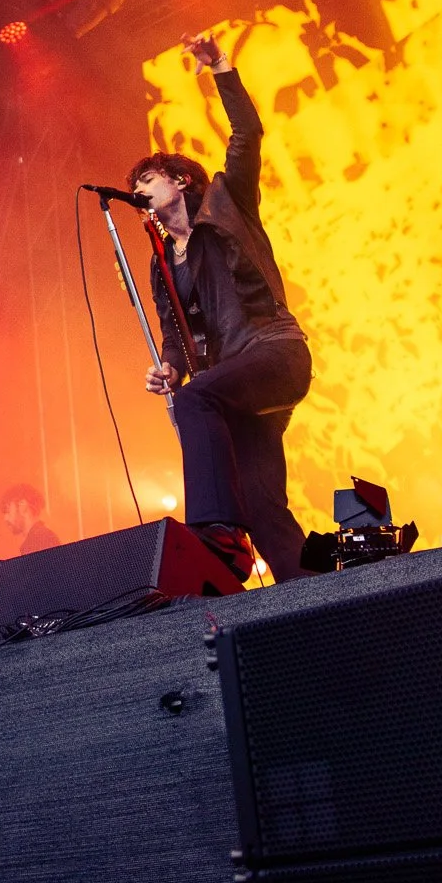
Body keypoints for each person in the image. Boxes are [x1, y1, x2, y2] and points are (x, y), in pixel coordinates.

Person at [132, 32, 312, 582]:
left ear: (179, 180)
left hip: (274, 352)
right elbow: (175, 333)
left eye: (147, 180)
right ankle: (316, 596)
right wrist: (170, 366)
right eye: (134, 186)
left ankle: (212, 527)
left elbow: (247, 134)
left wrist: (221, 68)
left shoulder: (227, 202)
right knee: (263, 509)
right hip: (235, 383)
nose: (138, 190)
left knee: (195, 400)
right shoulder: (162, 263)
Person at [0, 483, 61, 555]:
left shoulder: (40, 539)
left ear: (22, 505)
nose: (5, 518)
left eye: (7, 510)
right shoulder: (41, 538)